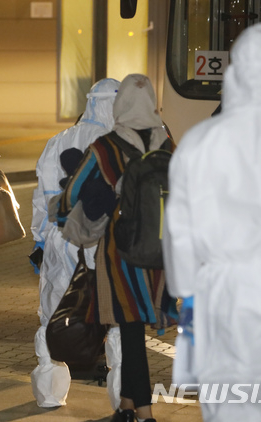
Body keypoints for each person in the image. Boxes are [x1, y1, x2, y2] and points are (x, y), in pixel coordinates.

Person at [163, 23, 261, 422]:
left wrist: (186, 292)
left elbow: (180, 233)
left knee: (231, 402)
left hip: (226, 294)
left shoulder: (202, 144)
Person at [57, 74, 177, 422]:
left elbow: (73, 192)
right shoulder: (167, 143)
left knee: (130, 330)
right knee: (134, 326)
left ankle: (144, 411)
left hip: (120, 254)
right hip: (158, 252)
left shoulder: (106, 146)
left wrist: (69, 215)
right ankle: (126, 405)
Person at [30, 78, 120, 408]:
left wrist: (40, 240)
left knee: (55, 312)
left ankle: (50, 392)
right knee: (116, 317)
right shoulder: (123, 145)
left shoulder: (60, 141)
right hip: (108, 242)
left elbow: (42, 199)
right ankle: (121, 394)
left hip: (62, 238)